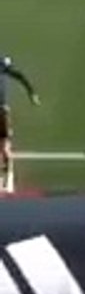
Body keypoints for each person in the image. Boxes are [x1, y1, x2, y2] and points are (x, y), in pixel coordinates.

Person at [0, 57, 40, 194]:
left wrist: (31, 92)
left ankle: (8, 177)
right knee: (4, 146)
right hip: (2, 111)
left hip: (2, 111)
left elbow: (18, 75)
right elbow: (18, 75)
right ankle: (5, 178)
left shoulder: (1, 62)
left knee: (5, 146)